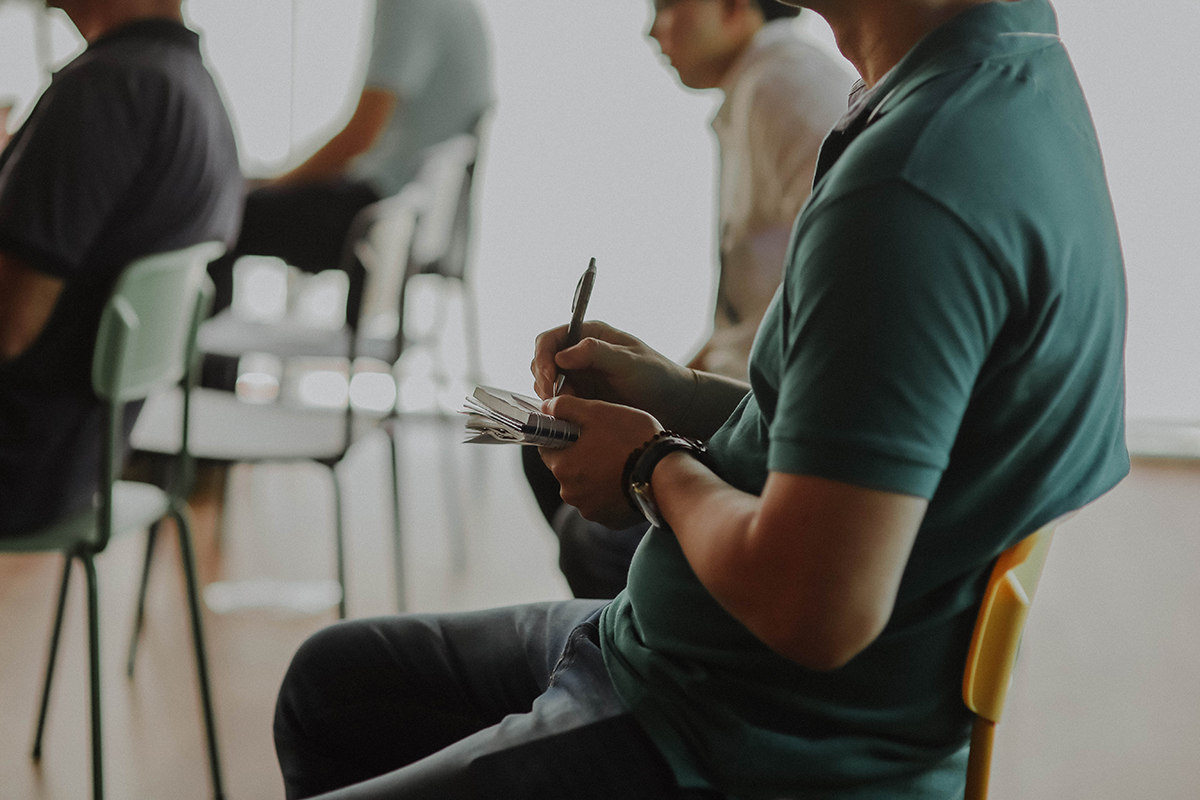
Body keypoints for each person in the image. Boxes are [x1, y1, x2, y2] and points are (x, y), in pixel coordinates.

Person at [272, 1, 1129, 797]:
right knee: (335, 683)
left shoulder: (910, 185)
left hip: (736, 728)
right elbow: (861, 441)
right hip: (693, 656)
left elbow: (816, 607)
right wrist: (675, 393)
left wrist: (651, 465)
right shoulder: (1010, 72)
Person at [523, 0, 855, 599]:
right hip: (752, 396)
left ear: (734, 7)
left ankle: (639, 648)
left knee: (585, 523)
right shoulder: (762, 85)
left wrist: (674, 422)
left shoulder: (783, 89)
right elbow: (754, 307)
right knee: (550, 437)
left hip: (772, 418)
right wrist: (669, 376)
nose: (654, 30)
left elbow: (825, 312)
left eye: (669, 6)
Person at [0, 0, 242, 536]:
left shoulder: (104, 89)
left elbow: (7, 328)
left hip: (19, 466)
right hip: (84, 463)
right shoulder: (189, 84)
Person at [204, 0, 493, 319]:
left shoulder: (409, 5)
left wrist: (273, 183)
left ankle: (205, 367)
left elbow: (359, 137)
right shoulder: (460, 9)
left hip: (378, 221)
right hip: (405, 219)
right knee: (238, 204)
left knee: (220, 212)